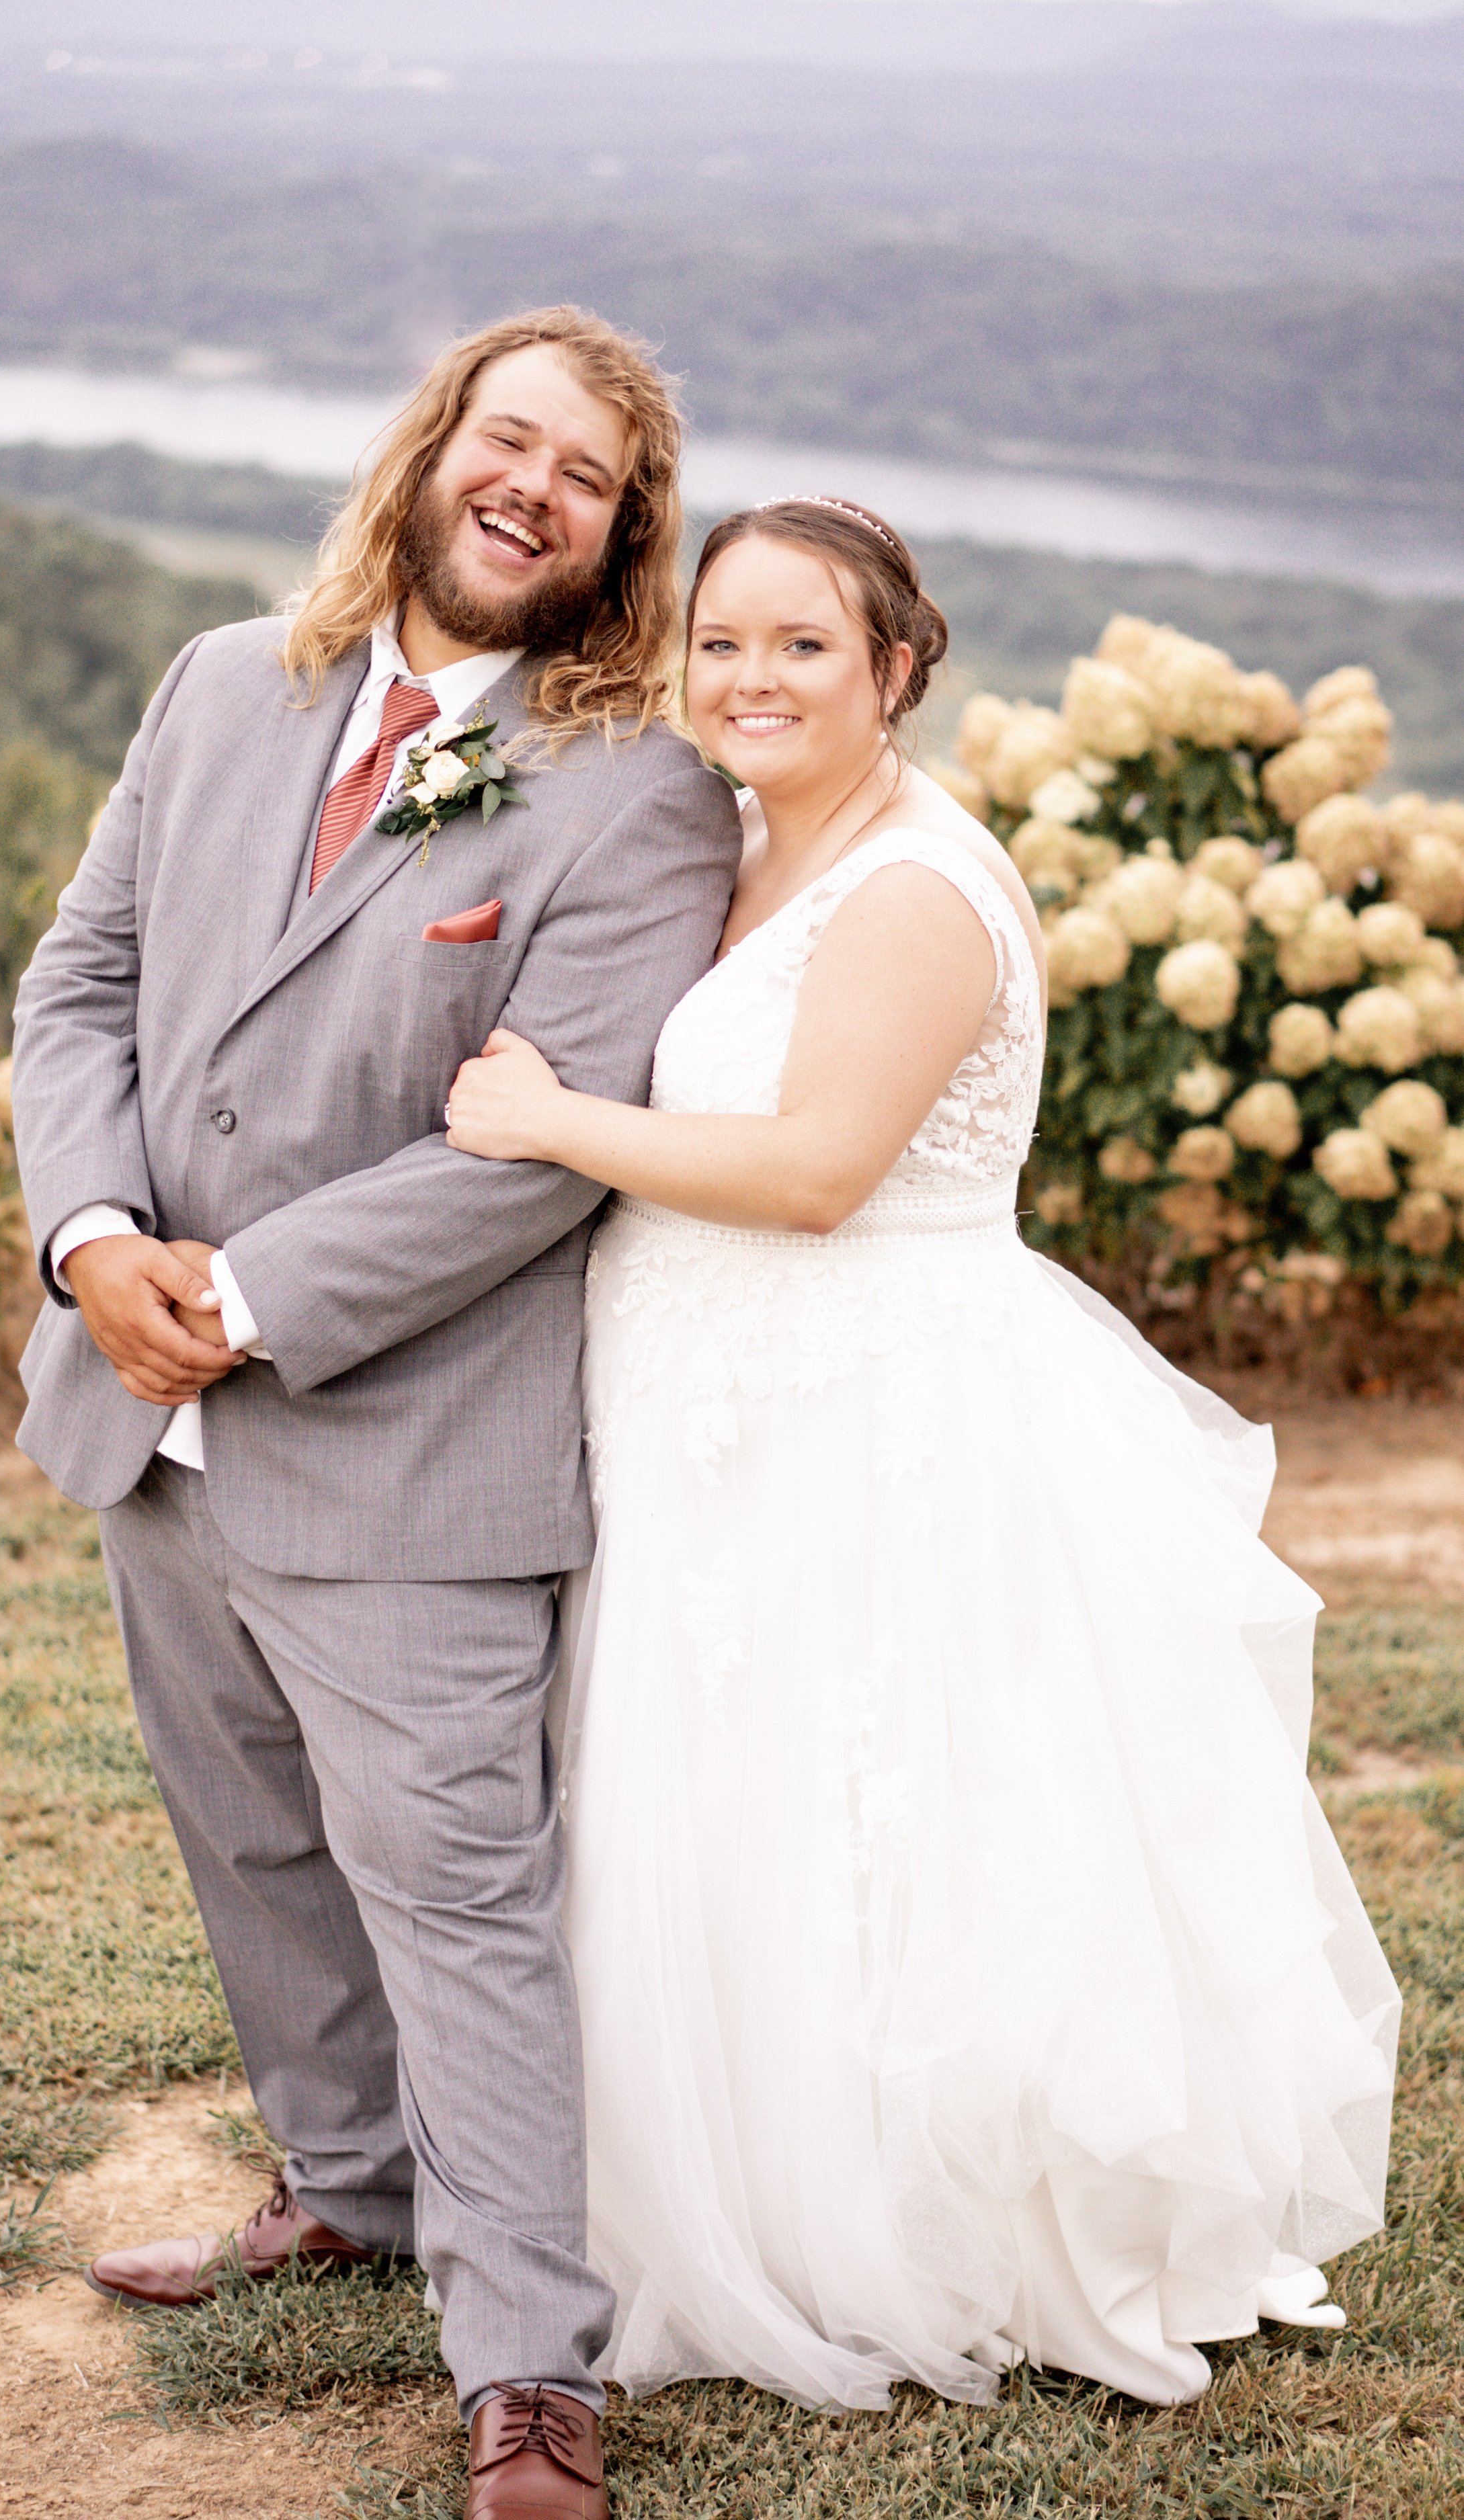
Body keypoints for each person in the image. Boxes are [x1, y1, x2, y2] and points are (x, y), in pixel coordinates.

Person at [443, 496, 1400, 2411]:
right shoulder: (735, 842)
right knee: (735, 1797)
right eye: (721, 640)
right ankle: (704, 2190)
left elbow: (812, 1171)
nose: (753, 677)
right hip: (725, 1411)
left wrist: (550, 1121)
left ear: (894, 668)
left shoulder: (910, 888)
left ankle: (907, 2224)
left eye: (805, 645)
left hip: (876, 1417)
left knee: (879, 1811)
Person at [11, 307, 741, 2519]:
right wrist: (92, 1241)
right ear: (432, 452)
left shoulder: (641, 787)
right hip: (143, 1398)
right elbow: (85, 980)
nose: (531, 486)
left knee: (455, 1897)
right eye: (504, 439)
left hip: (409, 1438)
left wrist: (238, 1294)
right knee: (246, 1838)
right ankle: (346, 2185)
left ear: (621, 537)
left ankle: (528, 2368)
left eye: (584, 475)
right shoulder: (225, 680)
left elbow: (543, 1141)